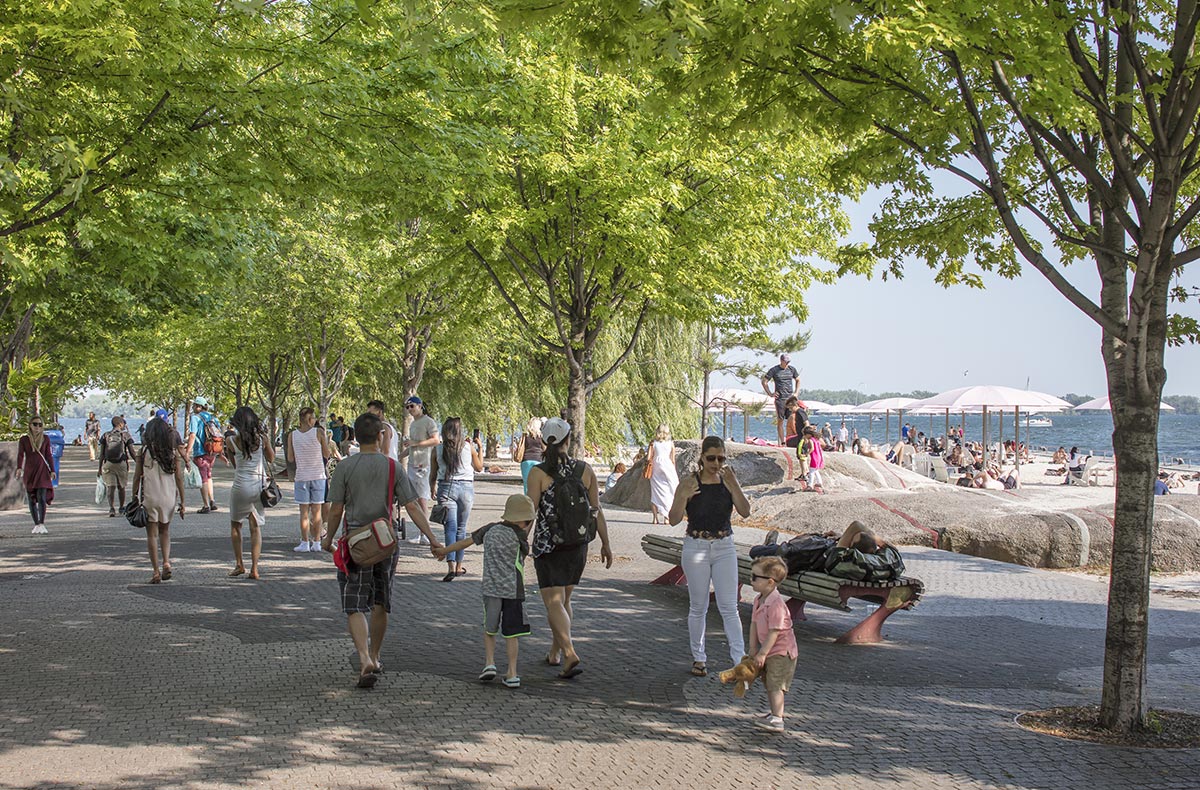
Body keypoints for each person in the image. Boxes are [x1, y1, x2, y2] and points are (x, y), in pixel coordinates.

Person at [320, 411, 441, 688]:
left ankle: (363, 658)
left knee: (354, 604)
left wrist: (327, 540)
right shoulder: (392, 467)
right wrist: (432, 538)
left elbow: (336, 508)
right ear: (379, 436)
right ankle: (375, 655)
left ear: (353, 436)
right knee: (380, 602)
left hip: (354, 546)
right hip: (385, 544)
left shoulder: (345, 468)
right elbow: (412, 506)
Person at [526, 417, 614, 680]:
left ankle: (569, 651)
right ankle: (555, 652)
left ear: (544, 441)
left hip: (548, 544)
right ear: (568, 440)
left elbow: (531, 511)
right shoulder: (585, 470)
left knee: (553, 602)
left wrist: (520, 541)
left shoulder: (538, 473)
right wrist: (606, 544)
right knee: (565, 600)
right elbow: (596, 510)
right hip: (578, 544)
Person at [668, 435, 750, 677]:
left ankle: (739, 659)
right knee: (698, 606)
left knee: (729, 607)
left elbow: (745, 512)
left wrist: (734, 485)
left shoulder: (728, 481)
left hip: (724, 545)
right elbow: (673, 519)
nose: (716, 463)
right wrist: (683, 496)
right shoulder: (689, 482)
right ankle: (699, 658)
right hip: (697, 545)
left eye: (721, 458)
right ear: (702, 458)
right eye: (711, 458)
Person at [435, 493, 534, 688]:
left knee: (490, 629)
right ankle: (512, 673)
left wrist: (444, 551)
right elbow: (525, 553)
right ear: (524, 519)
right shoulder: (520, 536)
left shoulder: (489, 529)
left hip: (490, 588)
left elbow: (465, 542)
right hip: (514, 590)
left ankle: (489, 663)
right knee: (512, 633)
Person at [130, 418, 186, 584]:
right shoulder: (171, 451)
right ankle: (166, 562)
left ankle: (155, 571)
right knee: (165, 531)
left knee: (152, 534)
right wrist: (183, 501)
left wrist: (133, 495)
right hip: (168, 496)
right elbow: (179, 478)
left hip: (150, 496)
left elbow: (136, 477)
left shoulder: (144, 451)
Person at [748, 556, 798, 732]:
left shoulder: (776, 604)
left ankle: (778, 718)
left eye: (755, 576)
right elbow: (754, 623)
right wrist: (753, 647)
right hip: (769, 649)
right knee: (769, 682)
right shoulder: (758, 599)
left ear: (770, 582)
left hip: (782, 651)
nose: (751, 579)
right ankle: (774, 714)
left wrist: (762, 653)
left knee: (776, 684)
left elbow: (774, 632)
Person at [430, 416, 484, 581]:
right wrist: (480, 447)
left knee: (450, 528)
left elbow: (433, 473)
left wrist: (432, 487)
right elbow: (479, 467)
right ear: (459, 431)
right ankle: (460, 566)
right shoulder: (468, 447)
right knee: (461, 528)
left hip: (446, 488)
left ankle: (451, 566)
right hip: (466, 489)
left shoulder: (437, 449)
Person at [225, 406, 275, 580]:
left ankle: (239, 564)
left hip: (239, 486)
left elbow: (235, 464)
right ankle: (255, 568)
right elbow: (271, 458)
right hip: (257, 487)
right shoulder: (262, 439)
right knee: (255, 528)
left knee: (236, 525)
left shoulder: (231, 441)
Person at [288, 407, 330, 553]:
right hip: (318, 476)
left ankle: (304, 542)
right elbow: (327, 453)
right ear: (309, 419)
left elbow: (290, 458)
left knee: (303, 512)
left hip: (302, 476)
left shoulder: (292, 435)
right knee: (317, 511)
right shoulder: (318, 432)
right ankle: (317, 542)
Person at [400, 395, 440, 541]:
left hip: (424, 464)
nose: (410, 409)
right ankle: (420, 532)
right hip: (412, 463)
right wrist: (400, 456)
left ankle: (425, 533)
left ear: (420, 406)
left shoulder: (428, 422)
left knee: (422, 499)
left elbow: (436, 440)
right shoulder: (413, 424)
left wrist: (415, 443)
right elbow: (411, 446)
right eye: (408, 407)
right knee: (414, 500)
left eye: (412, 406)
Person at [16, 416, 55, 534]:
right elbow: (20, 455)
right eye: (35, 424)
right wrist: (19, 468)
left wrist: (53, 470)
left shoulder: (45, 439)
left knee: (41, 497)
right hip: (30, 471)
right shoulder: (24, 440)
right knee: (31, 498)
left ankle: (42, 523)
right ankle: (36, 524)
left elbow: (48, 455)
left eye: (40, 425)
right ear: (30, 425)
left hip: (42, 471)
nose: (37, 427)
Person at [185, 397, 219, 513]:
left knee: (203, 478)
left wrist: (188, 451)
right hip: (212, 452)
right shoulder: (213, 418)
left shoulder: (195, 418)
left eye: (194, 405)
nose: (193, 407)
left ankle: (206, 505)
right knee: (209, 476)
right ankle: (212, 500)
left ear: (199, 407)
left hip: (200, 451)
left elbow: (193, 435)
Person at [97, 416, 136, 517]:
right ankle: (121, 507)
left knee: (111, 487)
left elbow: (101, 454)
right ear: (120, 424)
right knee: (121, 487)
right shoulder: (125, 435)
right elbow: (131, 451)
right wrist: (138, 462)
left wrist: (99, 468)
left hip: (108, 464)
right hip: (121, 464)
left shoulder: (106, 435)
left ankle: (111, 508)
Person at [761, 353, 800, 445]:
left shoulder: (792, 369)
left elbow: (798, 379)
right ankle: (782, 442)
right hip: (780, 399)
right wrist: (770, 393)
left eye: (788, 362)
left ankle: (793, 439)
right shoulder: (775, 370)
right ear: (781, 361)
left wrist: (796, 392)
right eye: (785, 362)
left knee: (792, 419)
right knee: (780, 420)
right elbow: (764, 381)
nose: (787, 363)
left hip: (790, 398)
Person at [647, 423, 679, 525]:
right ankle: (666, 518)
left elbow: (648, 458)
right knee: (669, 492)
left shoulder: (653, 443)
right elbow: (673, 459)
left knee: (655, 492)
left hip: (656, 467)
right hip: (668, 467)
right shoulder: (671, 443)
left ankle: (655, 518)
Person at [514, 417, 545, 494]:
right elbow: (544, 449)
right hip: (538, 461)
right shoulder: (541, 436)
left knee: (526, 483)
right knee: (537, 483)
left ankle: (527, 500)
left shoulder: (525, 435)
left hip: (526, 460)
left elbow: (520, 447)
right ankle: (536, 500)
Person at [803, 425, 826, 494]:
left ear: (808, 434)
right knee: (816, 470)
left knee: (811, 471)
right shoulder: (816, 439)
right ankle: (819, 482)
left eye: (805, 435)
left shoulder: (810, 440)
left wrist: (807, 453)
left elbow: (812, 448)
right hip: (819, 456)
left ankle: (810, 485)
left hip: (814, 457)